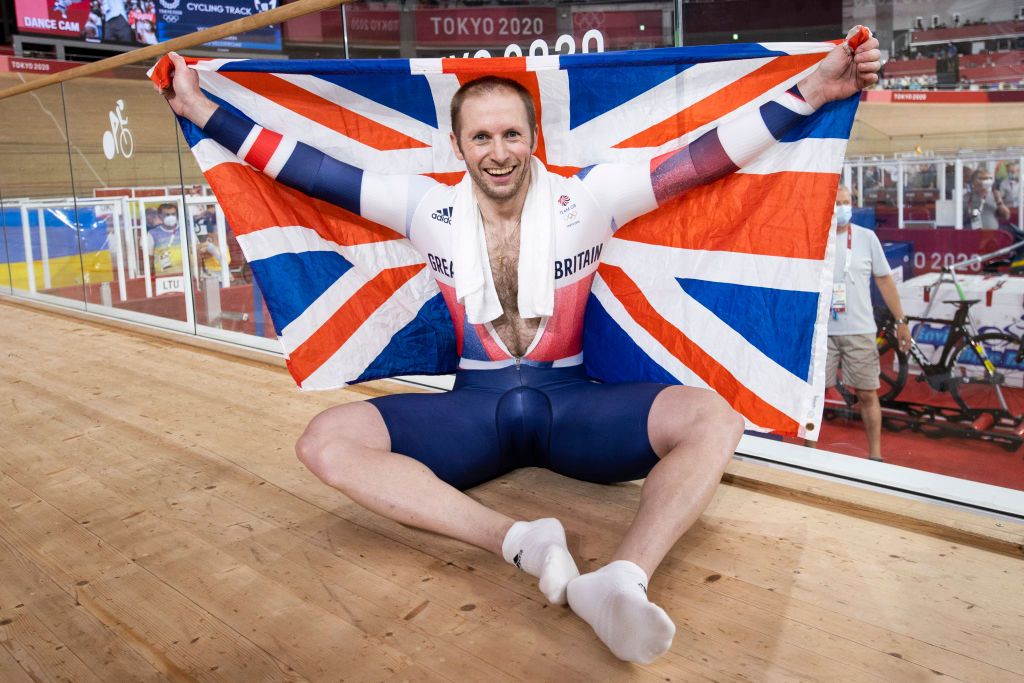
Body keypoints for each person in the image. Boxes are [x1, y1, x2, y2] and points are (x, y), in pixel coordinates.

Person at [157, 31, 880, 664]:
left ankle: (621, 578)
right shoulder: (425, 208)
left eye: (511, 135)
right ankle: (519, 538)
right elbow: (306, 168)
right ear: (458, 145)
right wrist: (200, 109)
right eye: (481, 137)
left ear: (532, 137)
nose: (498, 153)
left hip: (571, 405)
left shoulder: (588, 199)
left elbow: (706, 156)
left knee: (714, 419)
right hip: (474, 409)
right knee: (323, 441)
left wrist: (818, 87)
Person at [824, 186, 911, 462]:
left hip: (860, 330)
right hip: (822, 333)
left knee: (868, 394)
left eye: (847, 202)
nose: (842, 208)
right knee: (812, 397)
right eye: (837, 203)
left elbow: (884, 280)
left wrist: (901, 321)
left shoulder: (866, 238)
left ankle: (876, 456)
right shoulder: (817, 237)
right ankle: (807, 453)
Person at [146, 202, 182, 277]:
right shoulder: (152, 234)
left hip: (185, 275)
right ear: (160, 216)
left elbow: (196, 252)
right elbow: (150, 259)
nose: (171, 217)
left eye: (173, 214)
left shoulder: (185, 230)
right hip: (162, 277)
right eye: (167, 215)